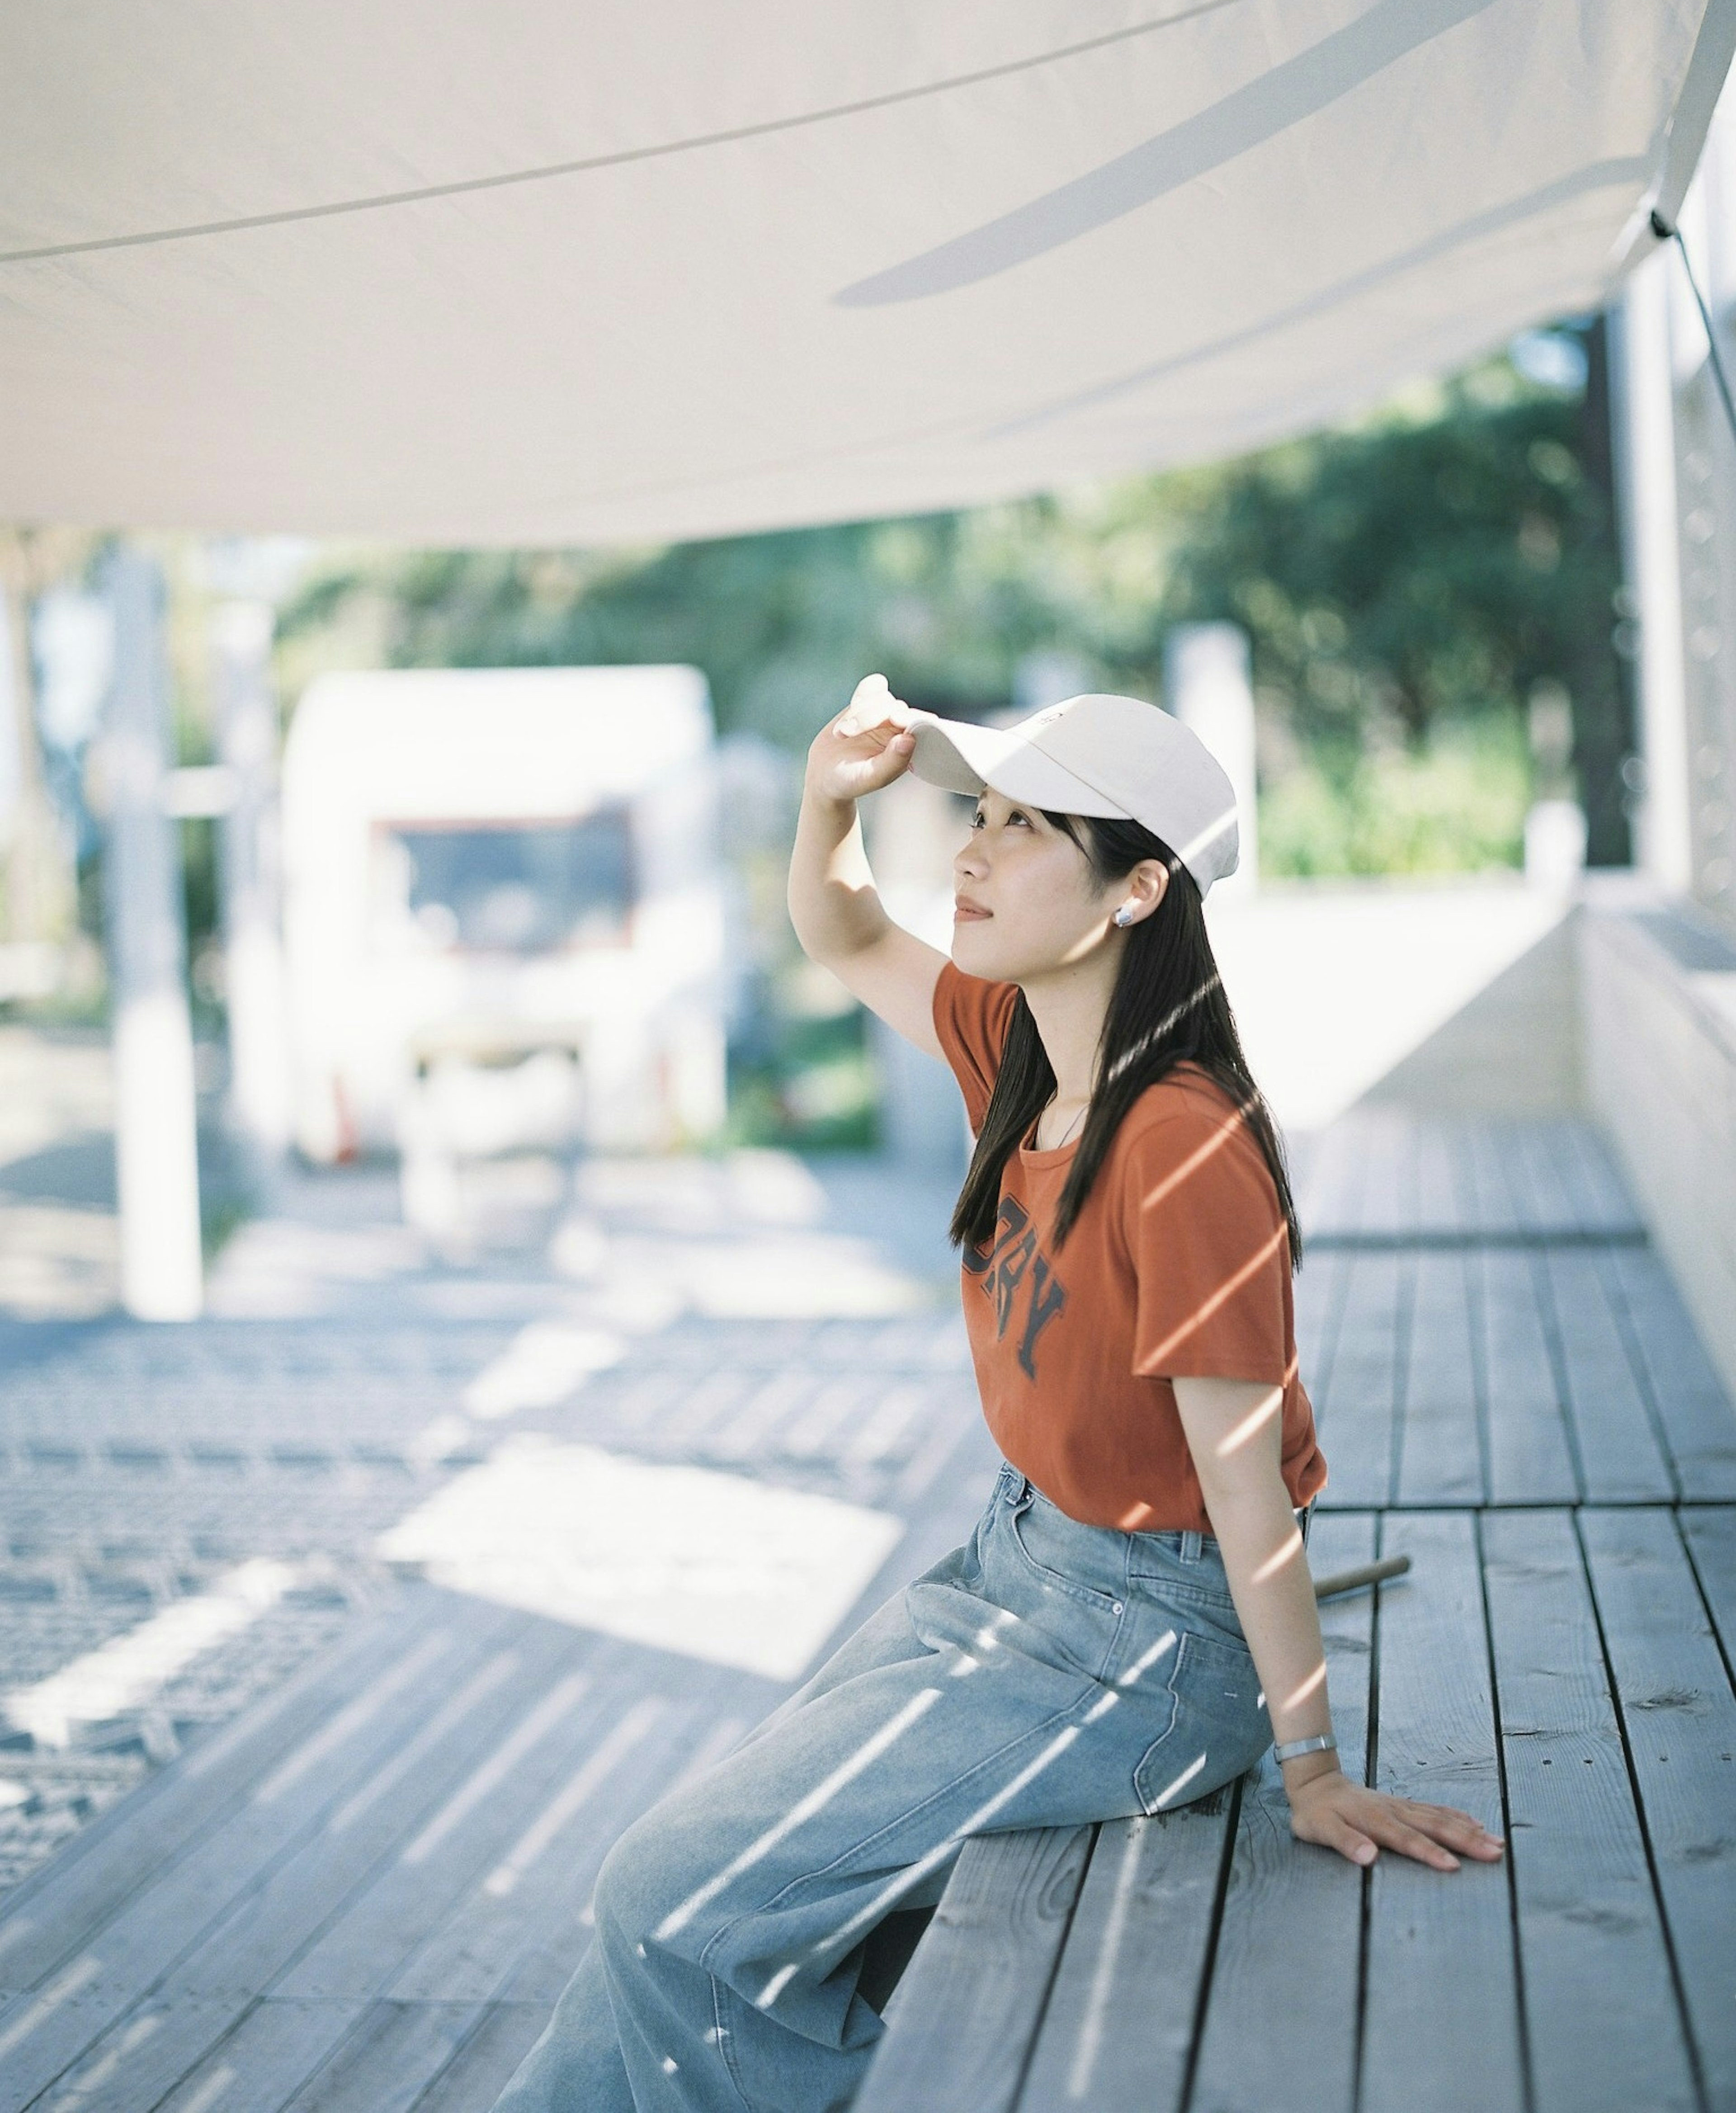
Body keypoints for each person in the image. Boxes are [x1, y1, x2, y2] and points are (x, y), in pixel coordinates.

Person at [494, 677, 1505, 2113]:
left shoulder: (1182, 1145)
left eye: (1025, 827)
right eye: (977, 814)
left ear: (1138, 888)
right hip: (1018, 1568)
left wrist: (1316, 1766)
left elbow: (1247, 1484)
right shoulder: (1022, 1050)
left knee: (672, 1897)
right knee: (703, 1899)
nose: (970, 851)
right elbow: (841, 925)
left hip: (1143, 1643)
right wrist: (826, 794)